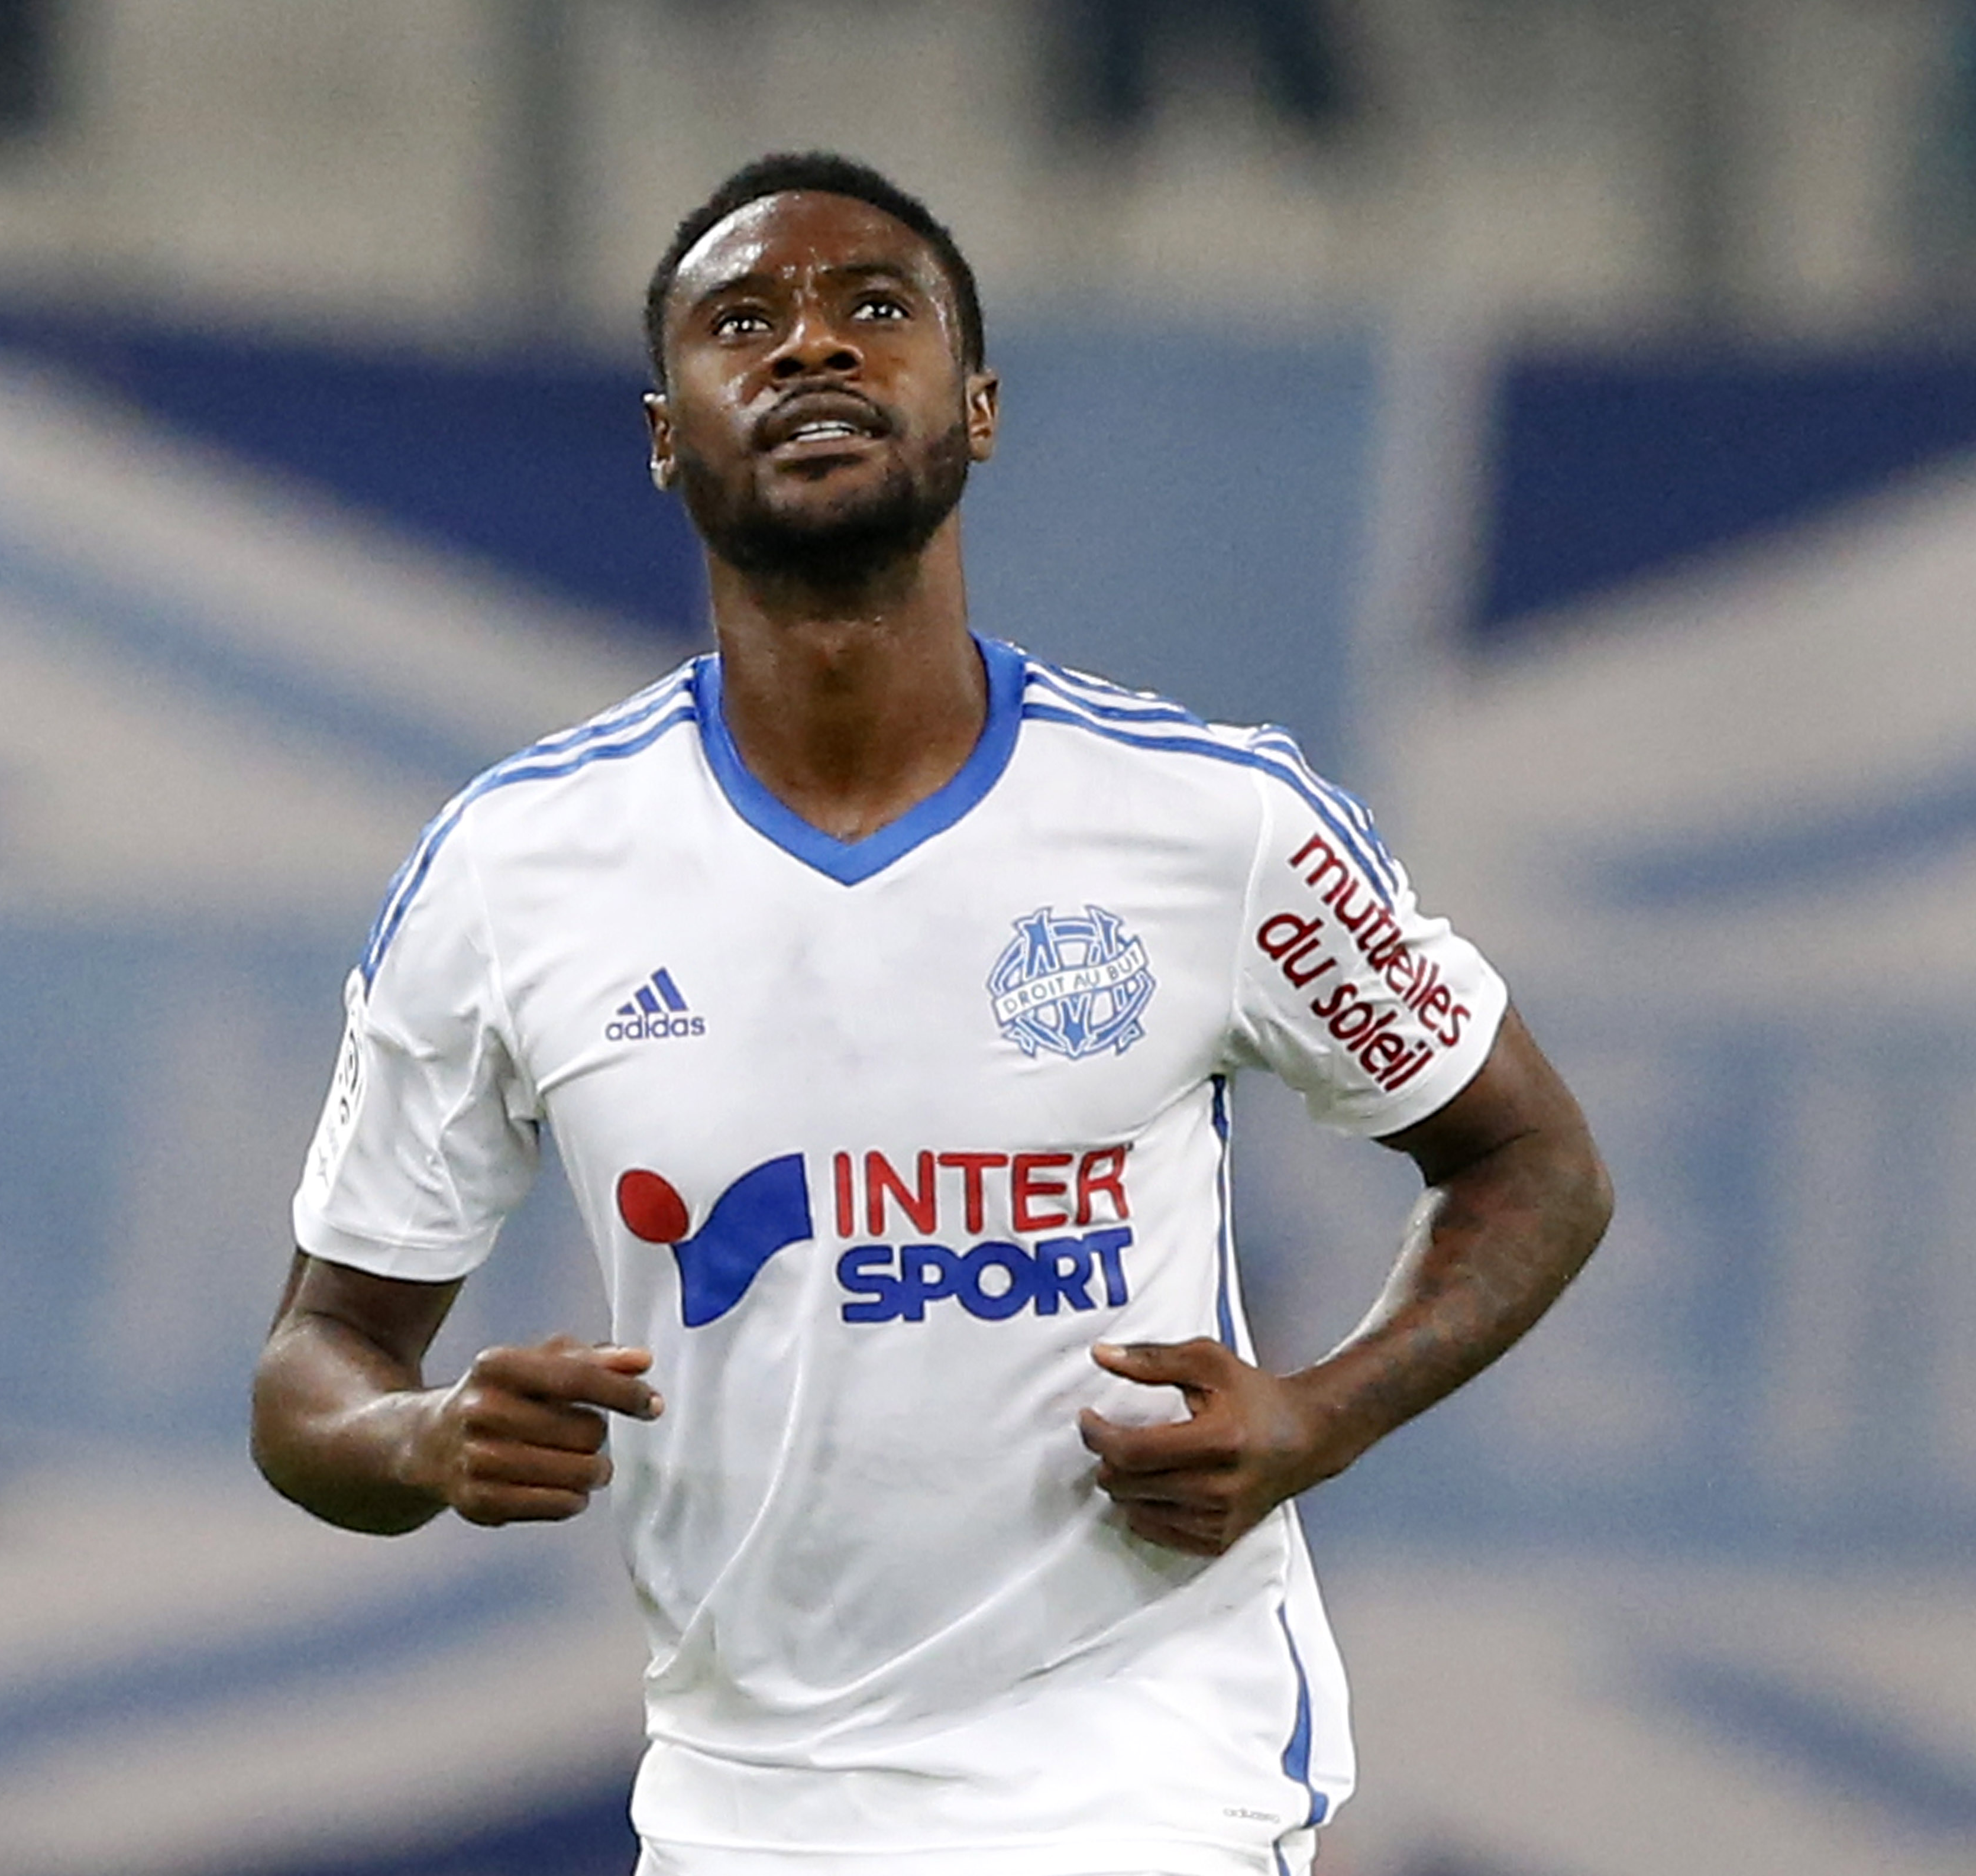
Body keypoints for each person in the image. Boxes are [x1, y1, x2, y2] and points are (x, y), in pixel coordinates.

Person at [250, 150, 1610, 1876]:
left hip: (1146, 1776)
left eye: (872, 309)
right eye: (743, 322)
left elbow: (1530, 1158)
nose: (812, 348)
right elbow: (315, 1364)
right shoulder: (515, 868)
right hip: (745, 1802)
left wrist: (1321, 1411)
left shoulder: (1214, 822)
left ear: (974, 410)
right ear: (669, 436)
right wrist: (419, 1435)